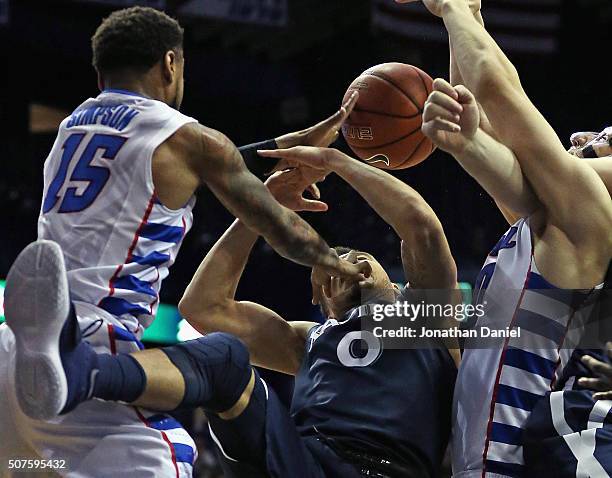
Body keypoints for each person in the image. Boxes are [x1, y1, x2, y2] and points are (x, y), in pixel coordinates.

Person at [0, 6, 368, 477]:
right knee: (172, 457)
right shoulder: (187, 139)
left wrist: (288, 144)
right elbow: (285, 232)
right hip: (91, 346)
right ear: (170, 64)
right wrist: (338, 265)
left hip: (18, 352)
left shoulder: (73, 125)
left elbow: (202, 160)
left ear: (100, 73)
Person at [4, 147, 461, 477]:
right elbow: (204, 308)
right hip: (300, 462)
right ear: (320, 304)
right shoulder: (308, 340)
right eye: (327, 269)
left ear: (397, 282)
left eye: (357, 258)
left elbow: (420, 224)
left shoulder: (426, 320)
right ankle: (77, 373)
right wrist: (259, 212)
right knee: (223, 356)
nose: (345, 266)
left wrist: (335, 161)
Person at [402, 0, 612, 476]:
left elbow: (500, 96)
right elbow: (490, 133)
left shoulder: (592, 220)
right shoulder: (550, 223)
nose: (580, 135)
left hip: (510, 462)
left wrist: (451, 8)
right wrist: (469, 19)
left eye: (600, 138)